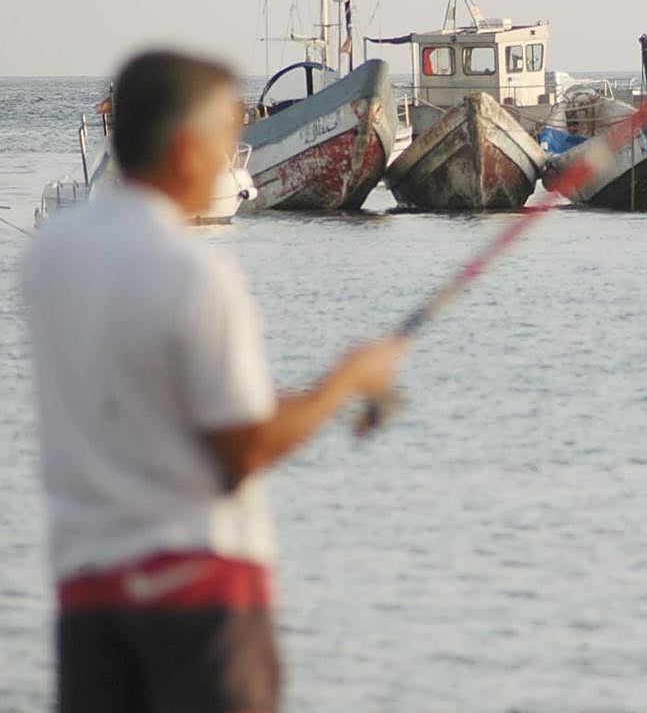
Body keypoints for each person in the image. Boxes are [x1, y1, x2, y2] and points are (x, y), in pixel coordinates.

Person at [22, 50, 406, 713]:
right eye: (226, 138)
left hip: (87, 595)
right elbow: (242, 449)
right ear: (182, 148)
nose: (239, 155)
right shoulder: (195, 275)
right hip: (196, 596)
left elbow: (153, 416)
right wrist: (345, 382)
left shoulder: (50, 258)